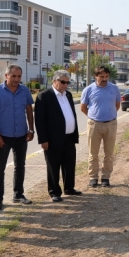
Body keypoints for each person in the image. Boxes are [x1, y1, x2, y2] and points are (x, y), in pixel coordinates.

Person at [0, 64, 35, 211]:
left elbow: (29, 110)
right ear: (6, 76)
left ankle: (19, 194)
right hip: (3, 135)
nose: (16, 79)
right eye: (13, 76)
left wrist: (31, 129)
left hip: (21, 134)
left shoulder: (24, 90)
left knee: (20, 166)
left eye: (19, 76)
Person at [35, 70, 81, 202]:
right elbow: (40, 120)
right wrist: (43, 139)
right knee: (53, 166)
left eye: (67, 82)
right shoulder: (44, 96)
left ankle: (69, 188)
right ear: (54, 81)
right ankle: (54, 192)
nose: (65, 85)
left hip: (69, 137)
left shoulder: (69, 95)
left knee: (69, 164)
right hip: (52, 139)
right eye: (62, 82)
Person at [80, 66, 121, 188]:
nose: (104, 79)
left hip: (111, 124)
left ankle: (105, 177)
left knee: (109, 153)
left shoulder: (114, 88)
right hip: (94, 125)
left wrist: (108, 115)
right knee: (93, 153)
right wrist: (94, 117)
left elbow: (117, 105)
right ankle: (93, 177)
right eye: (102, 76)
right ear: (96, 76)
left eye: (106, 76)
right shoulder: (88, 90)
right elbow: (83, 107)